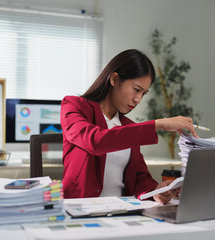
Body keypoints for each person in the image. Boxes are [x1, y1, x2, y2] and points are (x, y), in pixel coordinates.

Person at [60, 49, 198, 204]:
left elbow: (139, 176)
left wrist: (156, 190)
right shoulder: (74, 106)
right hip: (79, 209)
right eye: (136, 89)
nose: (138, 99)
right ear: (114, 79)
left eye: (143, 93)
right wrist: (159, 124)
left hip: (122, 211)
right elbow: (95, 141)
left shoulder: (129, 127)